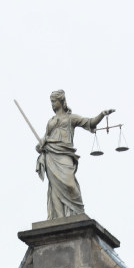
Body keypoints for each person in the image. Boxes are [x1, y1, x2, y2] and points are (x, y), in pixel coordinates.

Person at [36, 90, 115, 220]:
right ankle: (59, 219)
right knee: (55, 189)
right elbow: (44, 139)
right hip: (51, 156)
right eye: (51, 102)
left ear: (61, 102)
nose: (52, 104)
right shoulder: (50, 121)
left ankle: (77, 213)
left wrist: (102, 114)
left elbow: (90, 122)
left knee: (70, 185)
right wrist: (40, 145)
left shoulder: (71, 118)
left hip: (65, 154)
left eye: (54, 101)